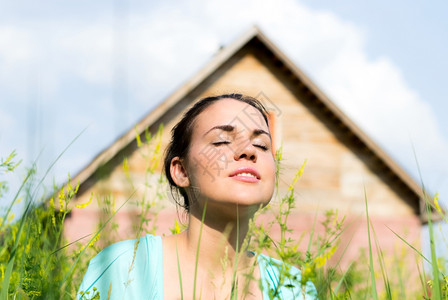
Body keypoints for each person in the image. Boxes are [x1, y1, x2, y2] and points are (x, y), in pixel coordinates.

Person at [78, 94, 317, 299]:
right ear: (181, 171)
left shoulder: (295, 289)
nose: (249, 151)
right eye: (222, 140)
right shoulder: (124, 268)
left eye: (262, 145)